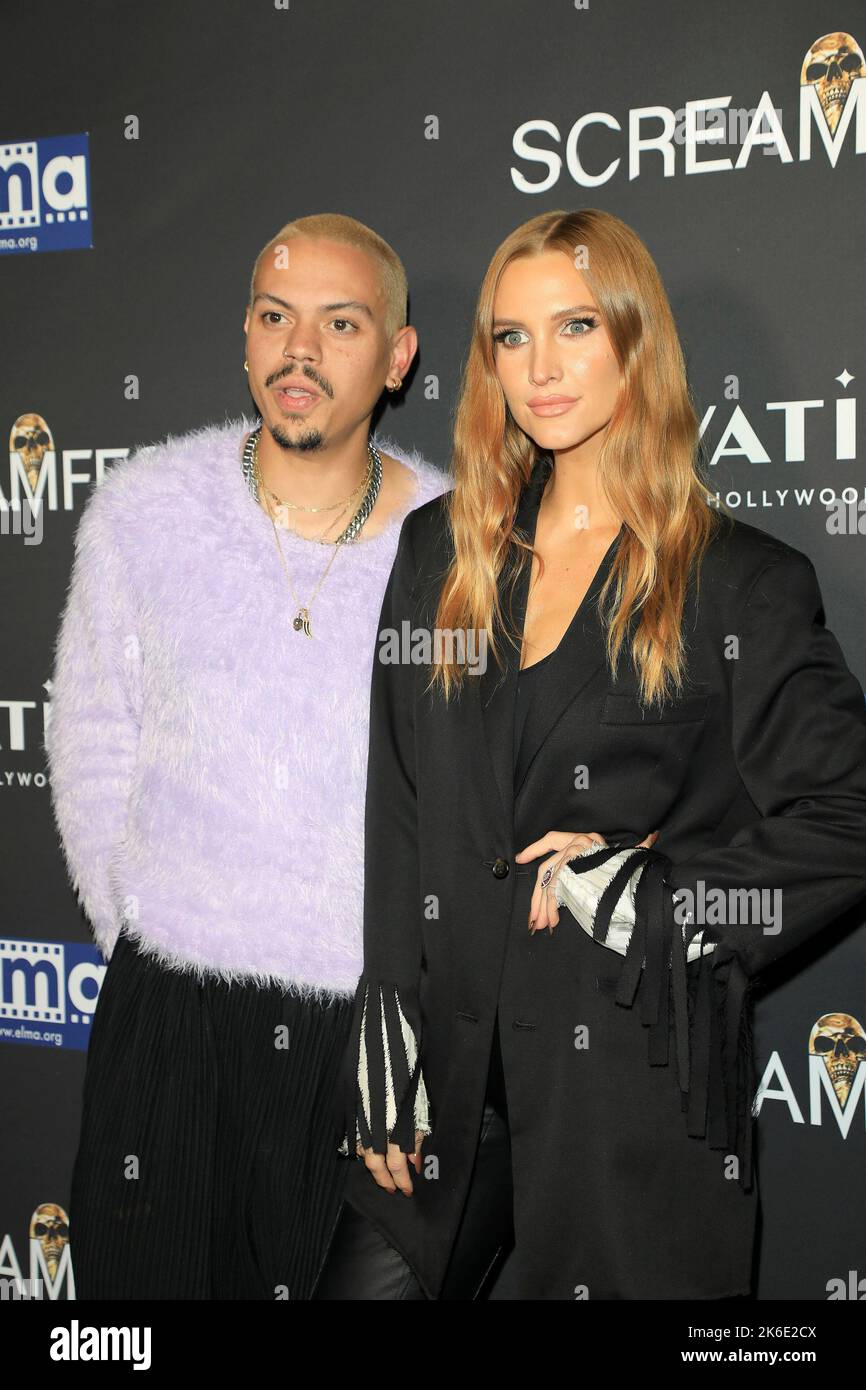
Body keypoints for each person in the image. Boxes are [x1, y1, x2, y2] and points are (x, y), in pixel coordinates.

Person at [312, 208, 866, 1300]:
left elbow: (844, 816)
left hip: (631, 1084)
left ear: (632, 339)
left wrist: (655, 895)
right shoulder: (443, 548)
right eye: (509, 338)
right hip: (450, 1088)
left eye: (572, 327)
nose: (539, 367)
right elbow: (401, 794)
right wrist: (386, 1003)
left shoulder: (737, 580)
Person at [44, 213, 449, 1299]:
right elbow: (89, 739)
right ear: (244, 336)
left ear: (398, 355)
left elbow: (468, 804)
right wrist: (141, 935)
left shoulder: (458, 545)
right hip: (171, 1023)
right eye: (275, 317)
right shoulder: (143, 513)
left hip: (363, 1033)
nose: (298, 351)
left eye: (339, 321)